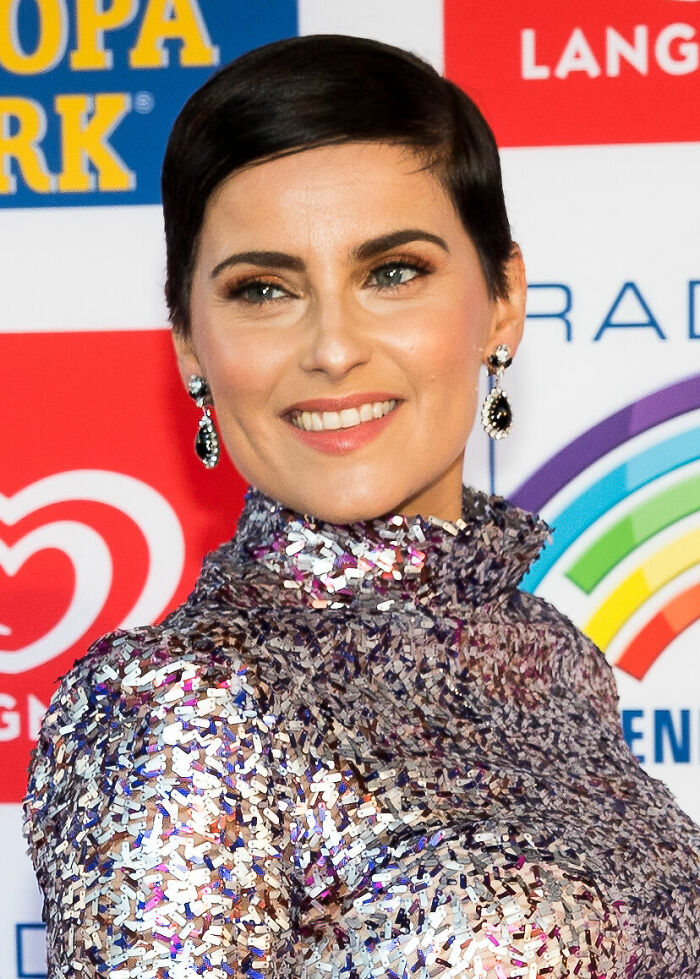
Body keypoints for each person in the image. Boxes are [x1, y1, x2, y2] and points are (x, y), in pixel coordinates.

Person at [22, 34, 699, 979]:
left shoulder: (554, 658)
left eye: (392, 272)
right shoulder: (181, 701)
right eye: (263, 290)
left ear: (503, 299)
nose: (333, 347)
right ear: (188, 342)